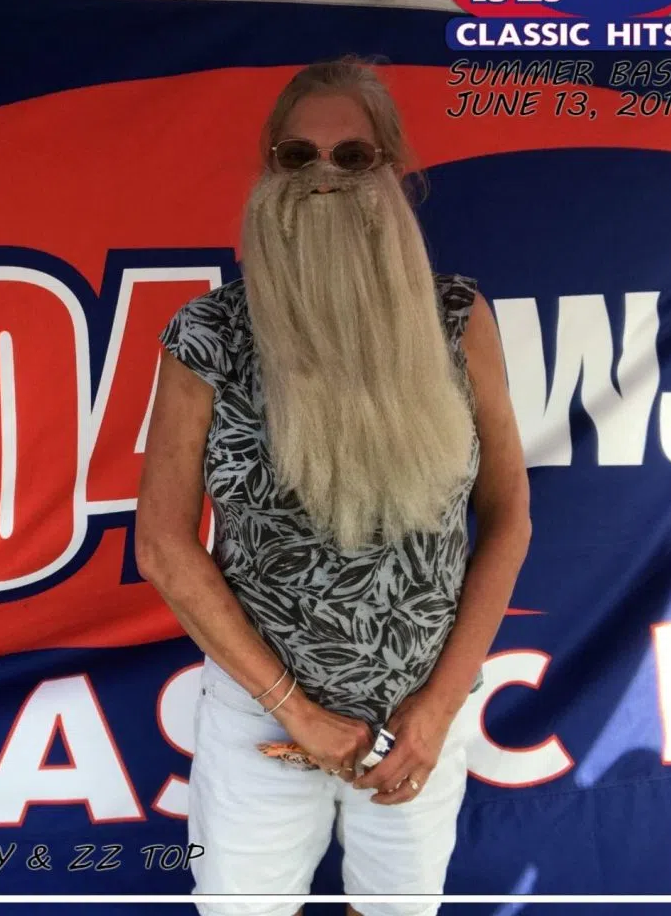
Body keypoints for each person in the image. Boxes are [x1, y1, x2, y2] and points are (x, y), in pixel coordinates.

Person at [134, 57, 532, 916]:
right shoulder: (207, 337)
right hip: (262, 720)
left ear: (393, 170)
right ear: (268, 170)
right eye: (296, 155)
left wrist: (436, 710)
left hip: (420, 716)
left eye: (352, 156)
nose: (323, 176)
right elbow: (162, 545)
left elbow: (507, 520)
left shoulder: (458, 320)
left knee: (398, 910)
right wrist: (296, 711)